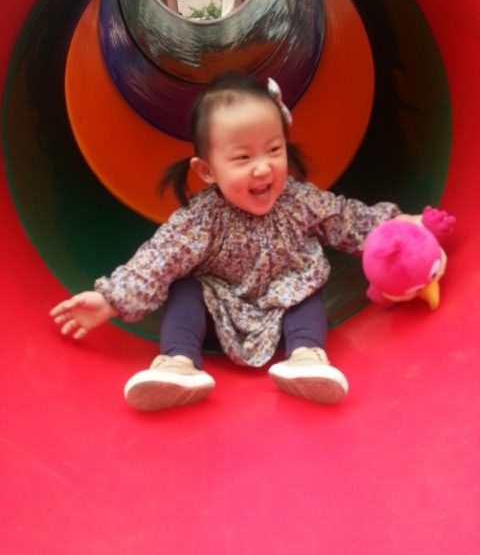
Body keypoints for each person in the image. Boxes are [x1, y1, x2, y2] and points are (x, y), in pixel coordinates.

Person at [50, 71, 418, 411]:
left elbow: (343, 218)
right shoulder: (202, 219)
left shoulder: (298, 200)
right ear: (207, 170)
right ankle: (178, 362)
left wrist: (400, 225)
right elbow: (159, 259)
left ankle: (306, 356)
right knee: (185, 287)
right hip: (220, 308)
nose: (263, 167)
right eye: (243, 157)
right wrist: (110, 300)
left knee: (308, 283)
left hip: (284, 301)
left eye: (274, 150)